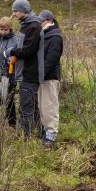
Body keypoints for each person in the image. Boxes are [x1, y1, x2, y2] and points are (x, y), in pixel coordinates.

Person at [7, 0, 44, 139]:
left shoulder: (34, 26)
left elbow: (28, 51)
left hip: (30, 73)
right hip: (25, 72)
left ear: (23, 10)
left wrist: (11, 51)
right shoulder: (26, 25)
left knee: (26, 107)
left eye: (15, 11)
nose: (14, 14)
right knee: (32, 106)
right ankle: (37, 134)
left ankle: (25, 137)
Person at [0, 16, 23, 127]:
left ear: (10, 28)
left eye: (5, 30)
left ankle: (12, 125)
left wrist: (13, 59)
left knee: (9, 101)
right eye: (1, 30)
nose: (2, 32)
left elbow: (19, 56)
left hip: (9, 74)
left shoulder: (15, 40)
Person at [38, 10, 64, 146]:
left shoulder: (55, 37)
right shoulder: (43, 35)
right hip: (41, 77)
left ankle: (51, 135)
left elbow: (51, 60)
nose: (39, 24)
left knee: (50, 107)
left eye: (41, 21)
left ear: (49, 20)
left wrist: (41, 74)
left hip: (50, 77)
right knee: (42, 107)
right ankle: (44, 131)